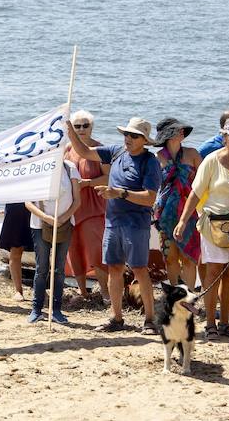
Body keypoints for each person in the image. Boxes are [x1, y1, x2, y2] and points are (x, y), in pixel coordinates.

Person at [67, 116, 162, 334]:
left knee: (139, 269)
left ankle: (149, 320)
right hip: (112, 222)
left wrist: (119, 193)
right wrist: (70, 130)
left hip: (136, 224)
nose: (128, 138)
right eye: (126, 134)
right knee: (114, 268)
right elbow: (84, 151)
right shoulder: (116, 152)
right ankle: (116, 318)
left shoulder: (150, 162)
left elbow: (149, 198)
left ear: (144, 141)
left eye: (134, 136)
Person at [177, 117, 229, 340]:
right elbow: (195, 193)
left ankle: (225, 322)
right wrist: (183, 221)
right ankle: (210, 323)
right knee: (213, 273)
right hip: (213, 224)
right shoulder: (211, 161)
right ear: (224, 137)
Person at [27, 155, 80, 324]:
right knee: (41, 267)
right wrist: (46, 218)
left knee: (59, 269)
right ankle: (36, 309)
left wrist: (63, 218)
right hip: (40, 224)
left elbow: (77, 200)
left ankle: (56, 309)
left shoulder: (69, 167)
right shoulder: (37, 168)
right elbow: (28, 202)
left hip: (65, 224)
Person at [64, 111, 109, 304]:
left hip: (94, 207)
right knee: (73, 250)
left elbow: (108, 178)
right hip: (72, 207)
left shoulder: (101, 150)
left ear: (91, 127)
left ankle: (106, 293)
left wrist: (87, 183)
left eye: (85, 126)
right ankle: (83, 292)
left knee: (95, 251)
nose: (81, 130)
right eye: (77, 126)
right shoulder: (67, 149)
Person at [153, 118, 201, 289]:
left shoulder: (193, 154)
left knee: (189, 258)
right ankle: (176, 298)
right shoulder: (157, 157)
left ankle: (189, 299)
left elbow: (203, 184)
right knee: (170, 258)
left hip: (189, 213)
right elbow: (153, 187)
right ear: (168, 135)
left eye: (182, 130)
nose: (182, 132)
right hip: (165, 214)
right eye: (177, 130)